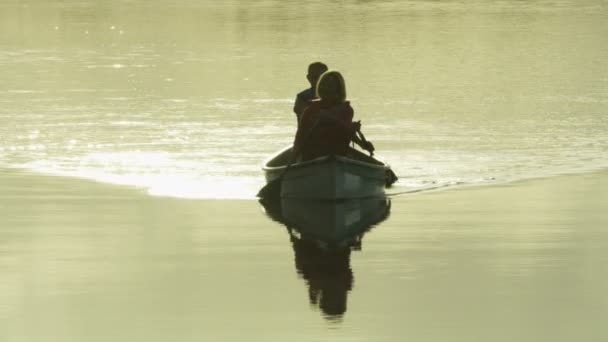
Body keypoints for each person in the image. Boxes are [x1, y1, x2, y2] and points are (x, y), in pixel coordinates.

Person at [293, 70, 356, 161]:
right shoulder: (310, 110)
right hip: (312, 155)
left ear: (338, 90)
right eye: (323, 85)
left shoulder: (346, 110)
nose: (325, 88)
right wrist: (296, 157)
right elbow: (300, 136)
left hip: (338, 152)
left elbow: (345, 131)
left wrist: (362, 144)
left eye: (330, 86)